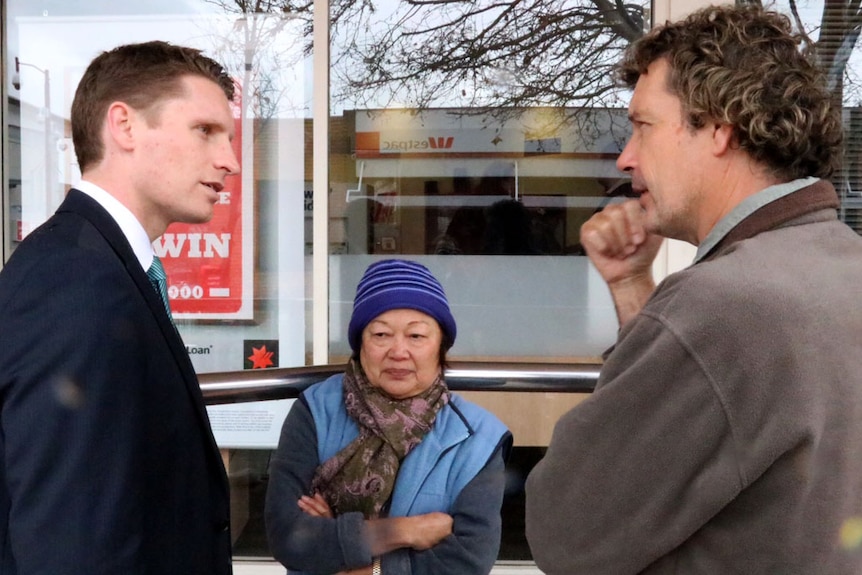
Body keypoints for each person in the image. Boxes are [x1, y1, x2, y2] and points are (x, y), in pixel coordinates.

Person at [525, 5, 862, 574]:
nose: (626, 157)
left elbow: (566, 531)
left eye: (643, 125)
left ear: (719, 127)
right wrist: (634, 287)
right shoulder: (841, 266)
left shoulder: (723, 306)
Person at [0, 41, 240, 574]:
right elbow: (71, 539)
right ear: (124, 127)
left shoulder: (96, 263)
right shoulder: (76, 282)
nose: (231, 160)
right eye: (205, 130)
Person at [265, 259, 512, 574]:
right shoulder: (316, 411)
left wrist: (358, 563)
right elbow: (288, 535)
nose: (398, 351)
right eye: (381, 334)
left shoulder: (477, 436)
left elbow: (469, 560)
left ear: (441, 347)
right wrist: (405, 531)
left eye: (416, 337)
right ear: (361, 344)